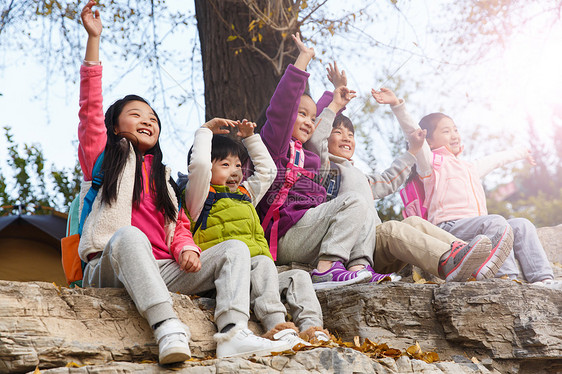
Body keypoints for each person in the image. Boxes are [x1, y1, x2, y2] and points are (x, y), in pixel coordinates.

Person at [77, 1, 290, 363]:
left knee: (235, 249)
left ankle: (233, 332)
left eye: (153, 118)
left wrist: (186, 248)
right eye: (136, 115)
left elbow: (178, 226)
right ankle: (166, 325)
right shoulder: (104, 159)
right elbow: (90, 112)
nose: (147, 121)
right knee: (131, 235)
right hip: (111, 264)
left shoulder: (162, 177)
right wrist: (93, 42)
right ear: (116, 126)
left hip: (161, 269)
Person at [307, 65, 499, 282]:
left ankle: (468, 254)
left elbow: (389, 180)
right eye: (338, 132)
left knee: (414, 222)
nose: (346, 138)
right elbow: (315, 139)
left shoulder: (361, 177)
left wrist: (413, 151)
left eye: (350, 134)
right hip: (349, 247)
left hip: (372, 244)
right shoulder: (324, 168)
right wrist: (335, 103)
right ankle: (448, 261)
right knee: (391, 229)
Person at [183, 118, 329, 345]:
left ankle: (312, 329)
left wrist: (251, 138)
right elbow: (200, 166)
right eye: (225, 164)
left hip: (261, 279)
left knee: (297, 277)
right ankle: (277, 326)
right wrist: (204, 132)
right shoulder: (199, 198)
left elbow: (268, 171)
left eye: (238, 165)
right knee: (262, 263)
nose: (235, 171)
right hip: (229, 278)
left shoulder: (245, 195)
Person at [257, 33, 376, 290]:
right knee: (352, 201)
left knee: (362, 203)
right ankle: (325, 269)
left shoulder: (308, 155)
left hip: (308, 229)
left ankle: (358, 266)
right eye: (301, 115)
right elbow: (283, 107)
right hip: (285, 234)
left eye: (312, 118)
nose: (309, 121)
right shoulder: (276, 146)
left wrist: (335, 99)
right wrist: (303, 60)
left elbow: (319, 120)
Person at [405, 106, 560, 289]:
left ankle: (543, 279)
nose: (454, 135)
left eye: (455, 129)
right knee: (496, 222)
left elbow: (495, 160)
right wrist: (397, 106)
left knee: (522, 225)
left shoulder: (470, 167)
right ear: (428, 140)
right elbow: (413, 134)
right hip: (449, 227)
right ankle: (507, 280)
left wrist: (521, 153)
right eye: (446, 131)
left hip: (478, 226)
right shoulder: (431, 164)